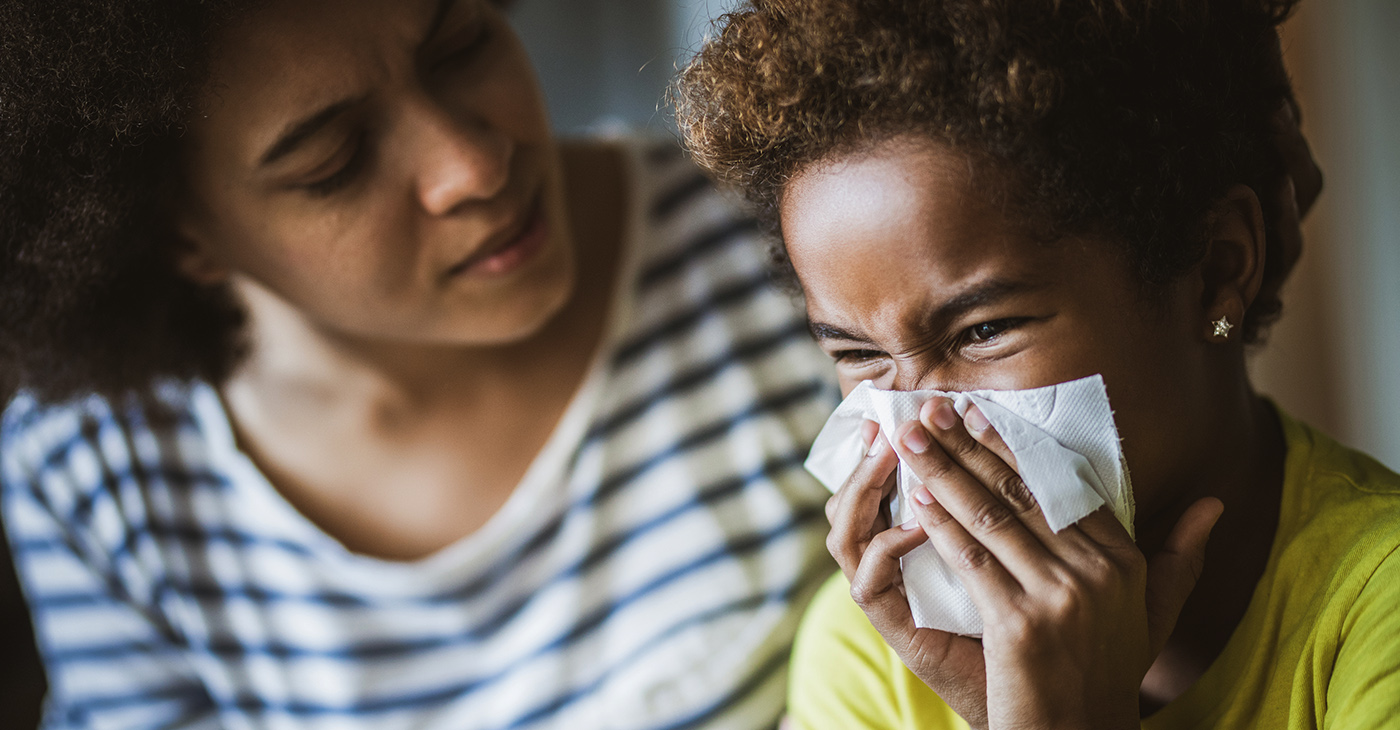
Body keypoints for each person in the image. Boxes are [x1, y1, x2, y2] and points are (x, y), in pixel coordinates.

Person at [0, 1, 840, 728]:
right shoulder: (90, 470)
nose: (472, 166)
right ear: (182, 236)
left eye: (460, 45)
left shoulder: (788, 248)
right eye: (334, 162)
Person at [674, 0, 1399, 728]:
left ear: (1215, 271)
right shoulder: (869, 654)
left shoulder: (1376, 607)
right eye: (859, 355)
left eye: (983, 330)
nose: (917, 427)